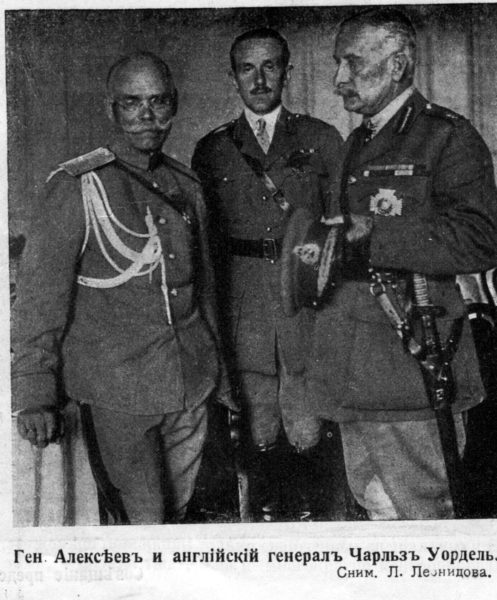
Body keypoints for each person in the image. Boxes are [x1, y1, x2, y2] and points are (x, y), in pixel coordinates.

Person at [11, 51, 235, 525]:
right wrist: (34, 392)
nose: (147, 116)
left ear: (174, 105)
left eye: (158, 101)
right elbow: (39, 301)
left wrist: (222, 377)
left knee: (177, 516)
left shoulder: (185, 184)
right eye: (132, 103)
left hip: (191, 380)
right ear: (111, 109)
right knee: (143, 521)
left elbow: (206, 290)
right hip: (117, 388)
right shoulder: (77, 186)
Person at [308, 8, 497, 519]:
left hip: (413, 365)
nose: (339, 78)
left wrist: (375, 234)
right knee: (375, 507)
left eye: (353, 62)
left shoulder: (446, 136)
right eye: (337, 63)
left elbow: (482, 239)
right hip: (354, 366)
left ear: (397, 65)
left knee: (423, 511)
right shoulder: (358, 140)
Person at [192, 28, 345, 521]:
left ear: (287, 72)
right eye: (247, 69)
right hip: (244, 299)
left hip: (305, 293)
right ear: (233, 77)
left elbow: (339, 228)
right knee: (256, 412)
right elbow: (205, 243)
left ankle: (312, 511)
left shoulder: (321, 138)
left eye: (270, 66)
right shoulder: (213, 149)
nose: (259, 80)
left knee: (307, 410)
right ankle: (265, 512)